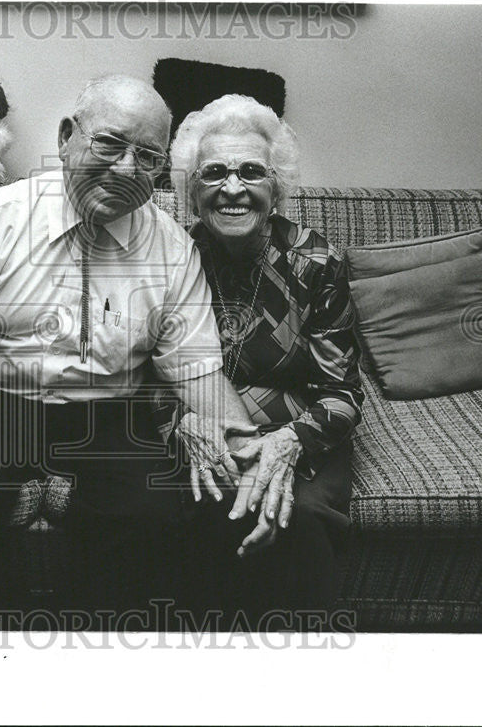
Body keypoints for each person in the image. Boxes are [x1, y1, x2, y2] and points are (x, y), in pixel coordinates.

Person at [0, 75, 261, 613]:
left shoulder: (172, 246)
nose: (125, 169)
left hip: (111, 414)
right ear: (66, 137)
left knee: (156, 521)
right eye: (109, 143)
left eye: (147, 156)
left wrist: (250, 455)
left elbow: (196, 369)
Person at [167, 93, 365, 615]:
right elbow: (149, 375)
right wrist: (183, 423)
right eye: (214, 173)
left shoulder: (316, 263)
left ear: (275, 187)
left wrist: (285, 445)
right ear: (192, 190)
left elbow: (342, 396)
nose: (233, 189)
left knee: (296, 521)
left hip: (299, 431)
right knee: (186, 516)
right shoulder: (174, 261)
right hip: (210, 429)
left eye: (251, 171)